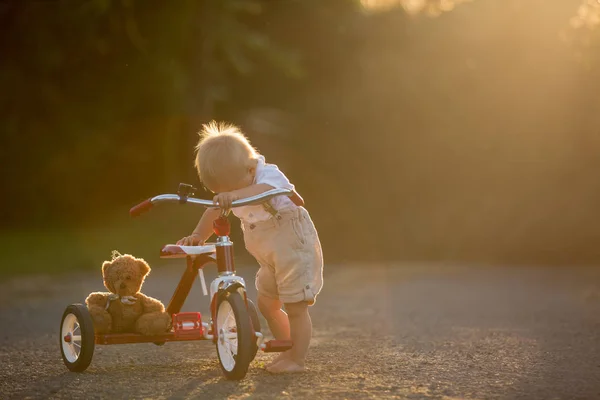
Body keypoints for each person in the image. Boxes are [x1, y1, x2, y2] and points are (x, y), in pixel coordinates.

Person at [177, 121, 324, 373]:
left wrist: (235, 196)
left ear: (250, 167)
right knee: (267, 303)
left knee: (295, 305)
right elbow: (213, 211)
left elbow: (267, 190)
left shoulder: (268, 174)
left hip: (293, 245)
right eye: (220, 191)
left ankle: (297, 359)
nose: (228, 195)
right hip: (268, 254)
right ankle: (287, 349)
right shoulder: (235, 184)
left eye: (232, 189)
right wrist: (197, 236)